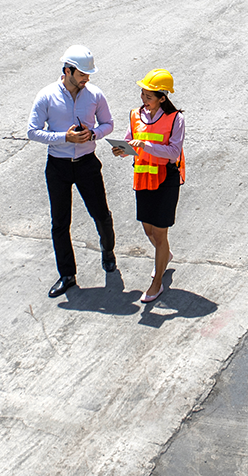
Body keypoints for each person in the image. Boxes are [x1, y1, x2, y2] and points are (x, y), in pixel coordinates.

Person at [27, 44, 118, 298]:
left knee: (100, 213)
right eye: (82, 75)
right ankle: (67, 274)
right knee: (60, 222)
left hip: (87, 163)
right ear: (67, 70)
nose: (87, 79)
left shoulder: (95, 95)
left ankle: (108, 250)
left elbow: (108, 123)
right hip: (58, 166)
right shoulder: (46, 96)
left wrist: (95, 133)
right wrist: (64, 138)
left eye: (88, 75)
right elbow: (33, 131)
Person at [125, 69, 186, 304]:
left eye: (149, 96)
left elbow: (173, 152)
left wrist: (146, 145)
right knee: (148, 229)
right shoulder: (135, 115)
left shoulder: (175, 119)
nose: (144, 99)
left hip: (165, 180)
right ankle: (166, 256)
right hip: (143, 178)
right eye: (142, 94)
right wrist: (123, 149)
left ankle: (157, 282)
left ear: (163, 98)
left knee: (160, 233)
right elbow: (131, 139)